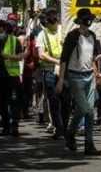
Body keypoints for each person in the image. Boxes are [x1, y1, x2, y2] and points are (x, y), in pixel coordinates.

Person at [56, 8, 101, 156]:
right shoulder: (72, 36)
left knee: (89, 113)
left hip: (89, 76)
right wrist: (61, 80)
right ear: (80, 21)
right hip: (74, 77)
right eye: (86, 19)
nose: (89, 22)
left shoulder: (93, 36)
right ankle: (70, 132)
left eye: (90, 19)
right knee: (85, 109)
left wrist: (97, 73)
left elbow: (92, 57)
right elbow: (63, 59)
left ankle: (89, 144)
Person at [37, 8, 70, 140]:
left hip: (65, 70)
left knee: (66, 100)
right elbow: (41, 54)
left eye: (54, 21)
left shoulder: (64, 30)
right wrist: (57, 61)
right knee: (54, 101)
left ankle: (65, 127)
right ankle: (59, 128)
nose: (53, 25)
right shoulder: (42, 34)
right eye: (50, 23)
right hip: (50, 71)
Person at [0, 20, 23, 137]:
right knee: (2, 103)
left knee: (14, 102)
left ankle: (15, 126)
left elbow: (20, 56)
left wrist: (9, 56)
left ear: (5, 29)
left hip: (12, 76)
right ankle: (5, 127)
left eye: (1, 28)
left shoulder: (14, 40)